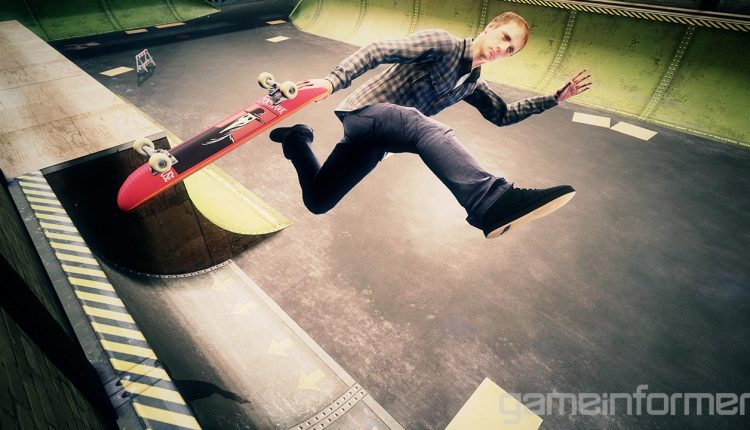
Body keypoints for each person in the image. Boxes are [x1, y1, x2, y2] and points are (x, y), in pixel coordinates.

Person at [270, 11, 592, 238]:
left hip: (380, 142)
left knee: (319, 200)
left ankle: (296, 139)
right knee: (420, 124)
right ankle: (490, 199)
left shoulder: (472, 83)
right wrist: (332, 81)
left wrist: (553, 99)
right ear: (490, 27)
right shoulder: (443, 44)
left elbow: (502, 114)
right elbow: (379, 50)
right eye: (504, 37)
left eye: (510, 50)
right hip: (363, 115)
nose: (502, 49)